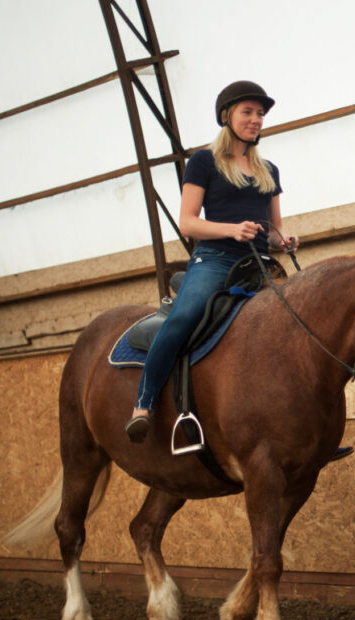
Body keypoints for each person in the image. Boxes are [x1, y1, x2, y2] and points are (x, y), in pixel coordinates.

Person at [125, 81, 297, 442]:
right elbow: (188, 222)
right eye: (247, 112)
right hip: (214, 259)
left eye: (260, 114)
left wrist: (285, 240)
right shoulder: (204, 162)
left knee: (297, 323)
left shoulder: (270, 170)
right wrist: (232, 230)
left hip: (260, 264)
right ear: (227, 116)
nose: (256, 119)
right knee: (184, 318)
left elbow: (274, 230)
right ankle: (144, 402)